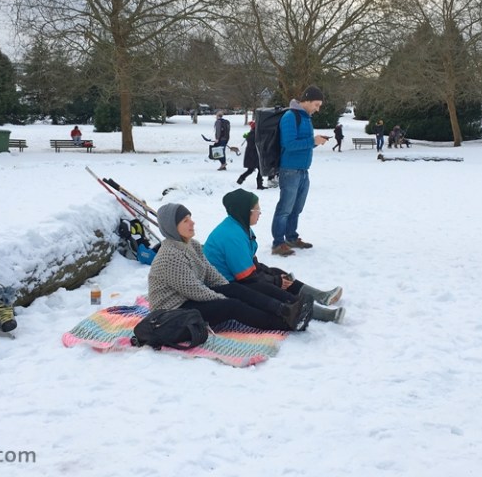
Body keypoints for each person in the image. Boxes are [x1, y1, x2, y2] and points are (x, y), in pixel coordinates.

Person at [147, 203, 313, 331]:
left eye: (190, 217)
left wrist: (230, 290)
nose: (192, 222)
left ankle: (284, 310)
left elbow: (211, 275)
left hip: (188, 300)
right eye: (185, 220)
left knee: (235, 289)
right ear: (172, 228)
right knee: (232, 306)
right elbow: (195, 290)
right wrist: (224, 298)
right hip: (172, 312)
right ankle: (286, 324)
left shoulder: (193, 245)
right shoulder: (169, 256)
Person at [205, 189, 345, 323]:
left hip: (236, 279)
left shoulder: (240, 227)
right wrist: (276, 282)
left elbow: (252, 265)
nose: (260, 213)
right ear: (245, 211)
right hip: (225, 286)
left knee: (277, 274)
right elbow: (245, 276)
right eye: (257, 209)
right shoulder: (232, 235)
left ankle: (321, 296)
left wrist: (275, 277)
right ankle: (316, 312)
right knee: (269, 288)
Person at [270, 85, 328, 256]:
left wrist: (315, 142)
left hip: (303, 171)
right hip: (290, 170)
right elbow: (289, 144)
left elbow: (304, 144)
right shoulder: (290, 117)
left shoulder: (306, 118)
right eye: (316, 104)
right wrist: (312, 141)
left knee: (297, 208)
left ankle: (291, 237)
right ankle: (278, 243)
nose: (318, 109)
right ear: (307, 100)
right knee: (285, 208)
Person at [236, 121, 264, 189]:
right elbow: (254, 145)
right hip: (254, 155)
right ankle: (259, 185)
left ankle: (241, 179)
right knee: (260, 169)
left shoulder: (251, 133)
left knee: (251, 170)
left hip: (251, 155)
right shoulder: (254, 135)